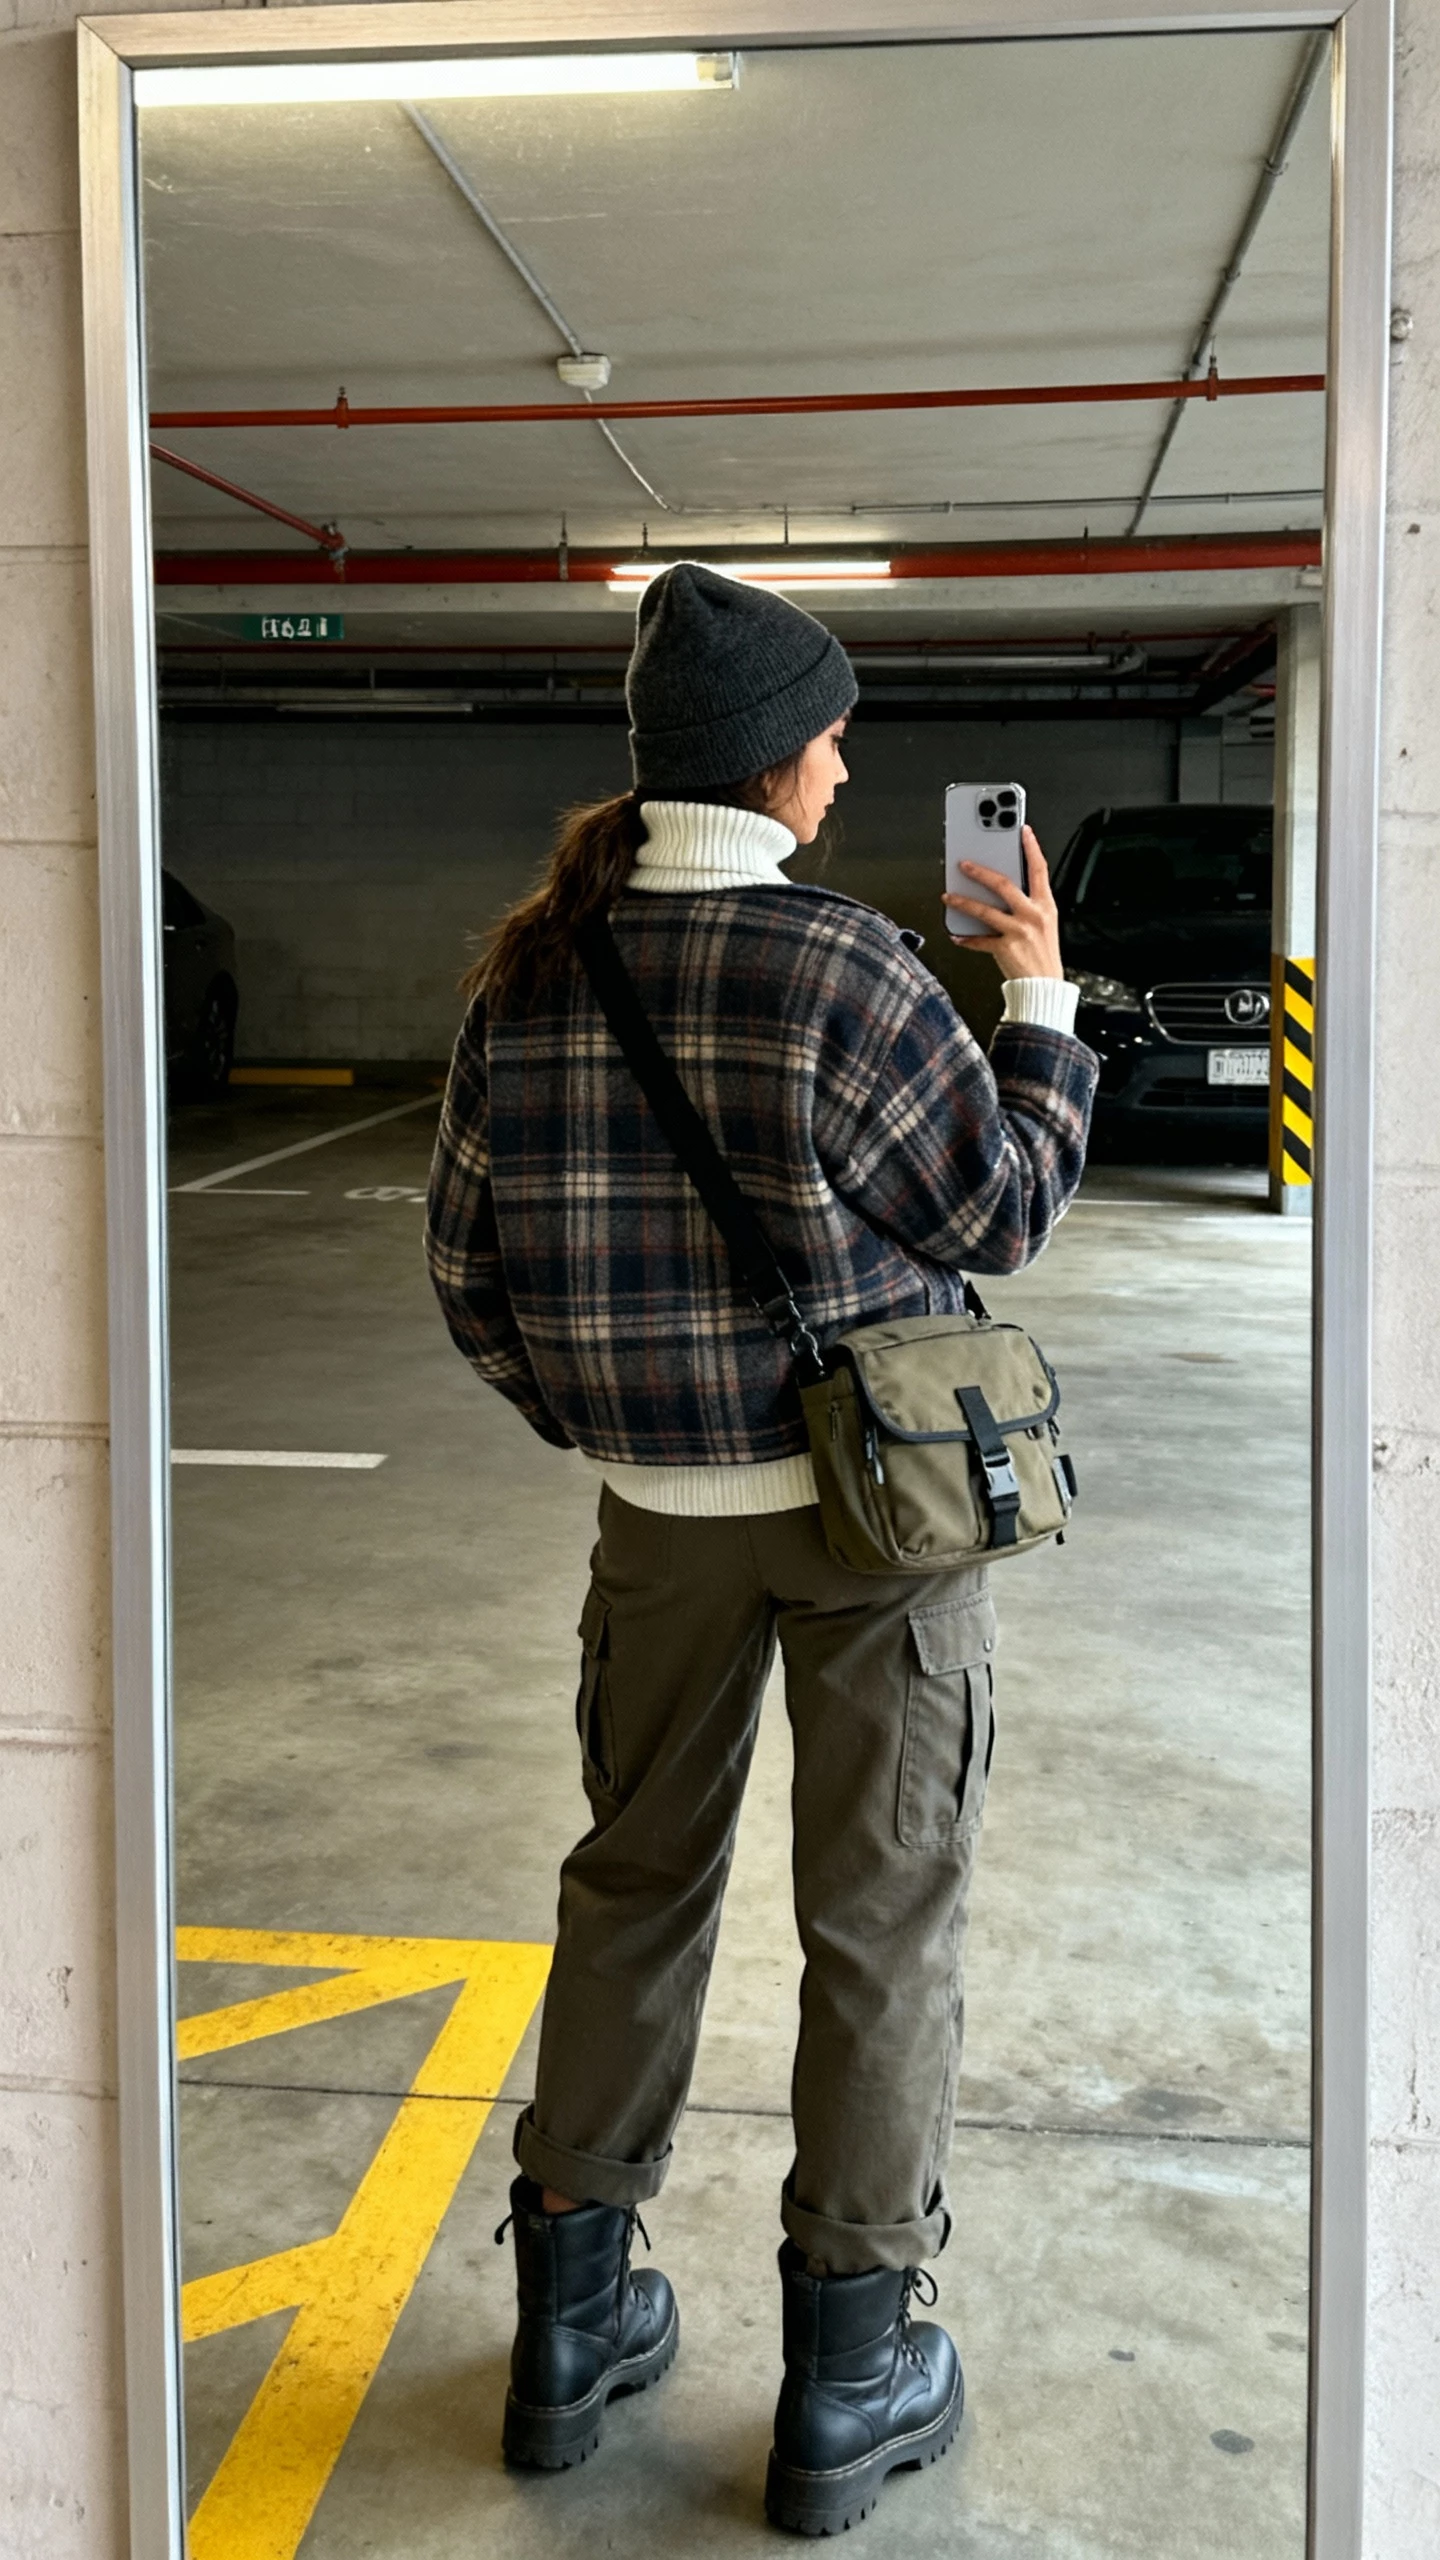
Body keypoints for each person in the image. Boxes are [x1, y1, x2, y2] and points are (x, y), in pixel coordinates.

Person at [426, 562, 1096, 2536]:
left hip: (660, 1524)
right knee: (876, 1914)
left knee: (630, 1882)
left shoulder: (532, 970)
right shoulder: (854, 963)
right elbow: (999, 1211)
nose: (844, 761)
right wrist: (1043, 997)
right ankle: (848, 2367)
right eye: (830, 734)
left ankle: (568, 2316)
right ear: (775, 765)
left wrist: (618, 1423)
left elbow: (469, 1277)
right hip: (876, 1523)